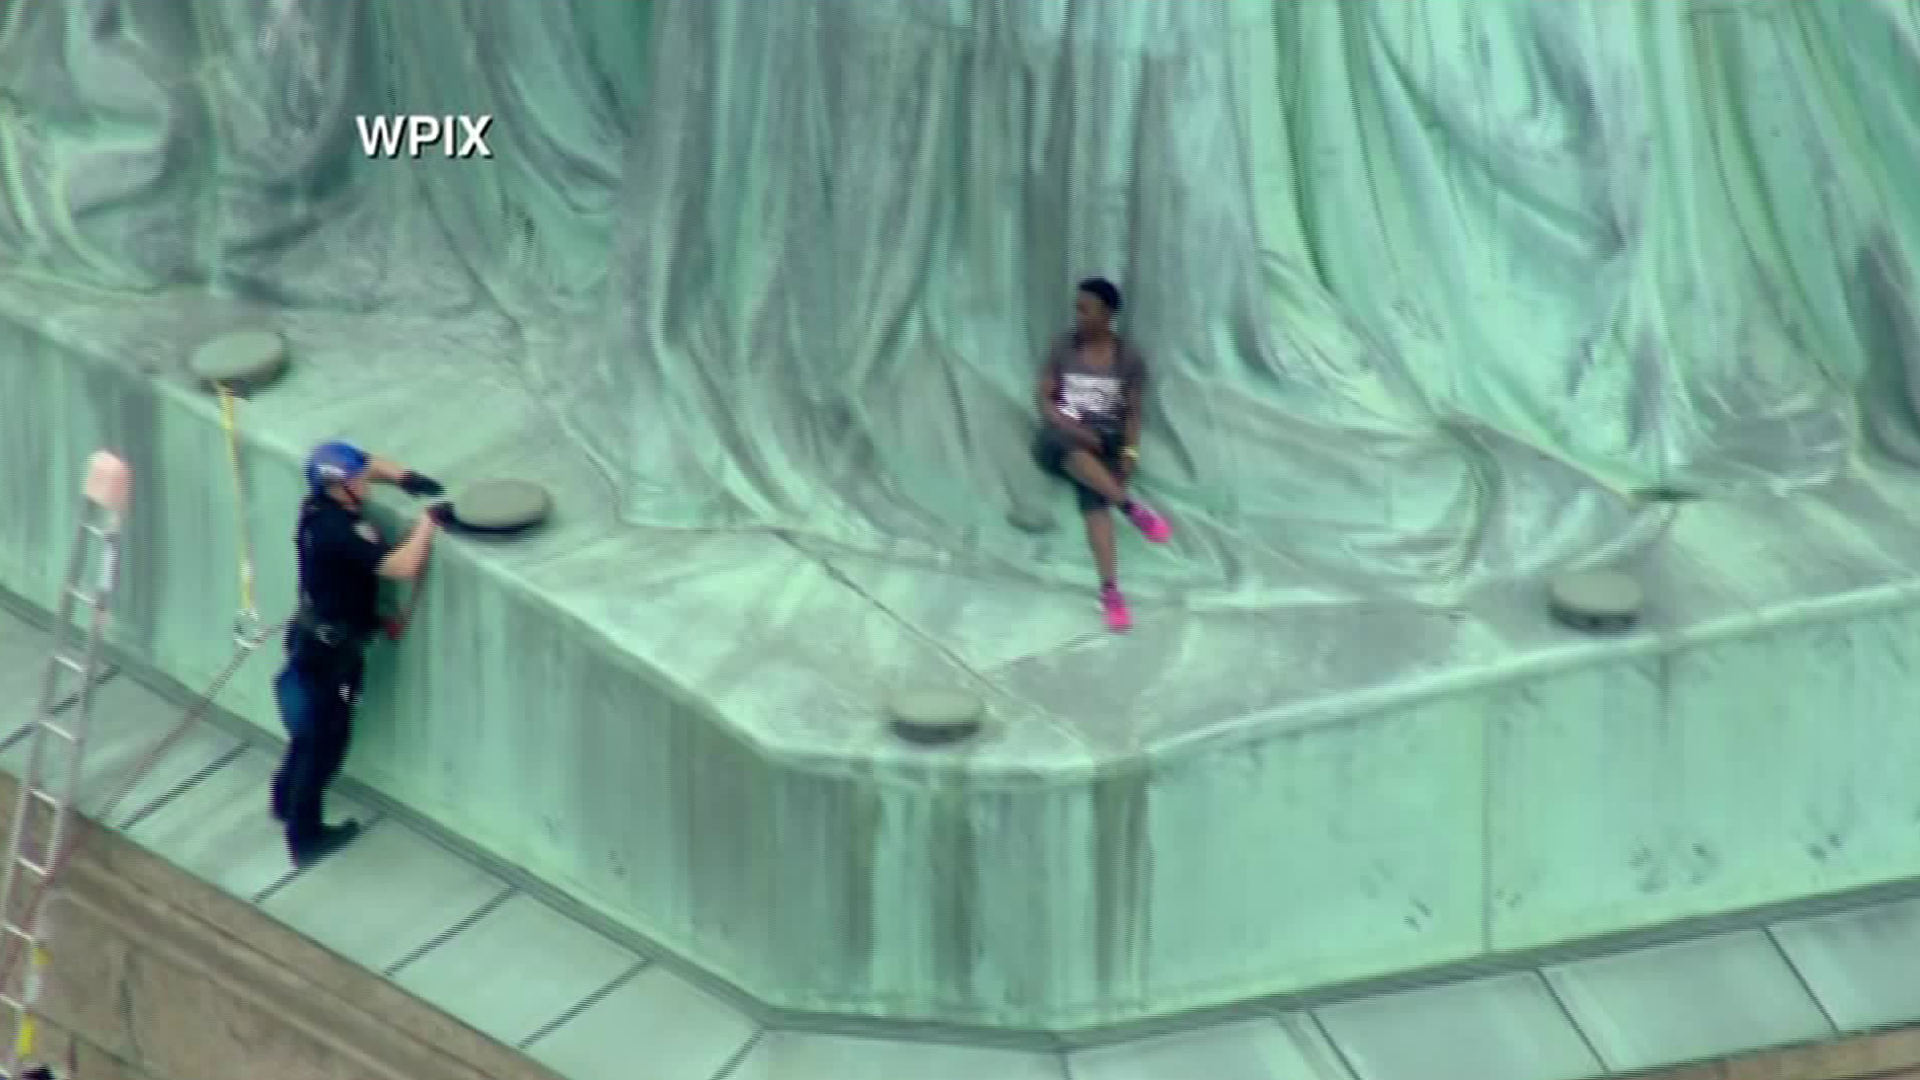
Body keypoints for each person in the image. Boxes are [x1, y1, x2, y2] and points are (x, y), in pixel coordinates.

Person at [270, 441, 446, 868]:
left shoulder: (318, 508)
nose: (366, 481)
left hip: (321, 639)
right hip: (327, 655)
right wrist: (428, 522)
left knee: (309, 733)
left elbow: (367, 464)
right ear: (339, 488)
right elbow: (402, 567)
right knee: (325, 743)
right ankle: (305, 836)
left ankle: (283, 800)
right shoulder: (337, 531)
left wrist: (405, 476)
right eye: (358, 481)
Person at [1031, 277, 1172, 631]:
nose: (1077, 315)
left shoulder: (1129, 358)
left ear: (1107, 314)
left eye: (1085, 309)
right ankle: (1129, 507)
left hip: (1105, 441)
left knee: (1094, 501)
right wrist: (1075, 429)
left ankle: (1110, 592)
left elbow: (1134, 413)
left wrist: (1130, 453)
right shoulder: (1063, 347)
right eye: (1076, 308)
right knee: (1066, 447)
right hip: (1060, 436)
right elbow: (1044, 399)